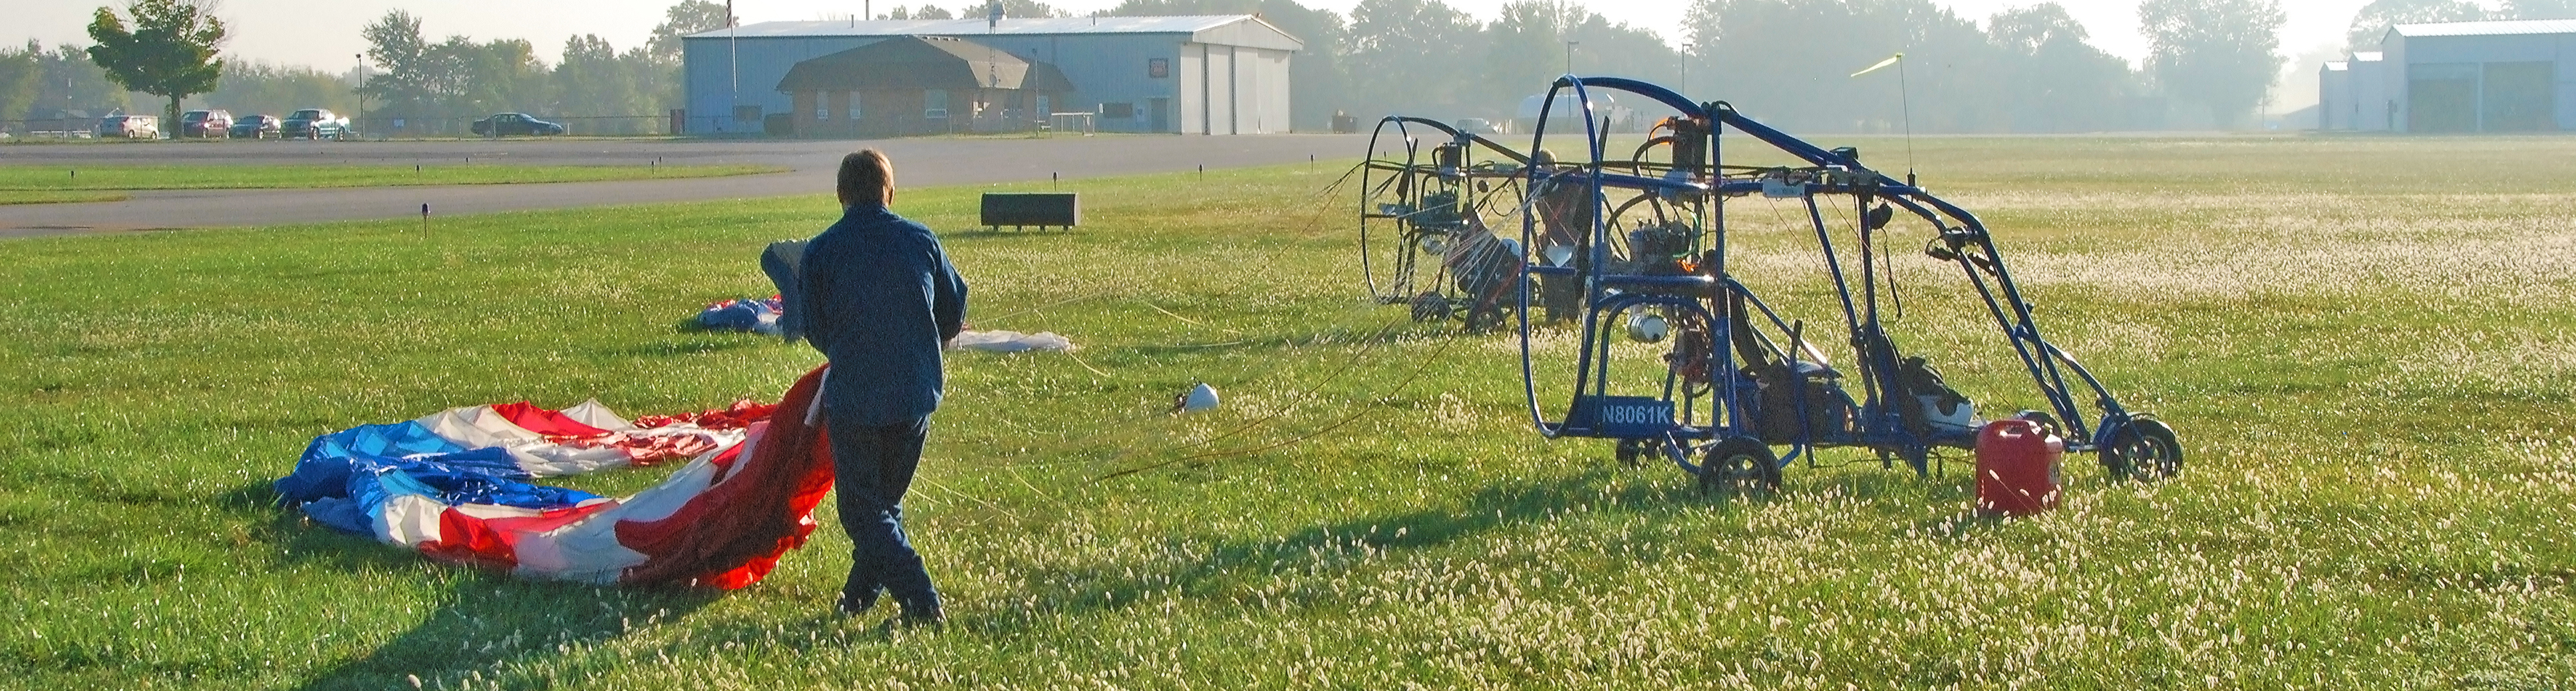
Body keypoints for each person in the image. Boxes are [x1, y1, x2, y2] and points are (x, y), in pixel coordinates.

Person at [800, 150, 967, 625]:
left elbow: (815, 329)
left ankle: (921, 599)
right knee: (884, 507)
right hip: (915, 394)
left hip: (855, 398)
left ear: (840, 196)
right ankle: (855, 601)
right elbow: (952, 314)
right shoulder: (922, 241)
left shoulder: (821, 252)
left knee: (862, 514)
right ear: (890, 192)